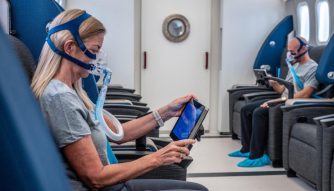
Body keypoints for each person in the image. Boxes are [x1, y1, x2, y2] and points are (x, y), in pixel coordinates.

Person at [31, 9, 208, 191]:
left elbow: (118, 133)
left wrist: (168, 111)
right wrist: (158, 158)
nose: (97, 59)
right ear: (69, 47)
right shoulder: (60, 98)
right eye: (94, 50)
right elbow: (96, 178)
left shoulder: (72, 90)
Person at [228, 36, 319, 167]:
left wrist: (277, 101)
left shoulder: (313, 68)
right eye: (289, 51)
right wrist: (273, 82)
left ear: (304, 49)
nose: (290, 55)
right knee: (246, 110)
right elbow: (283, 89)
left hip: (292, 103)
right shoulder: (295, 66)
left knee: (259, 112)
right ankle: (246, 149)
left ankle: (257, 156)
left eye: (293, 52)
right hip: (283, 98)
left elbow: (305, 94)